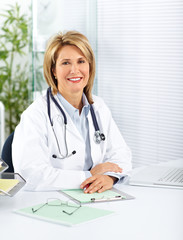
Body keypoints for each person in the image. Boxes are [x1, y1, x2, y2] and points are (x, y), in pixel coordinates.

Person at [12, 31, 132, 193]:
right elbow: (30, 174)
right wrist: (87, 176)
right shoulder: (35, 115)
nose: (75, 70)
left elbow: (121, 155)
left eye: (81, 61)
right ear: (53, 70)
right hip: (52, 202)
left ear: (89, 65)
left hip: (97, 196)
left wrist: (109, 177)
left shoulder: (98, 107)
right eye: (66, 63)